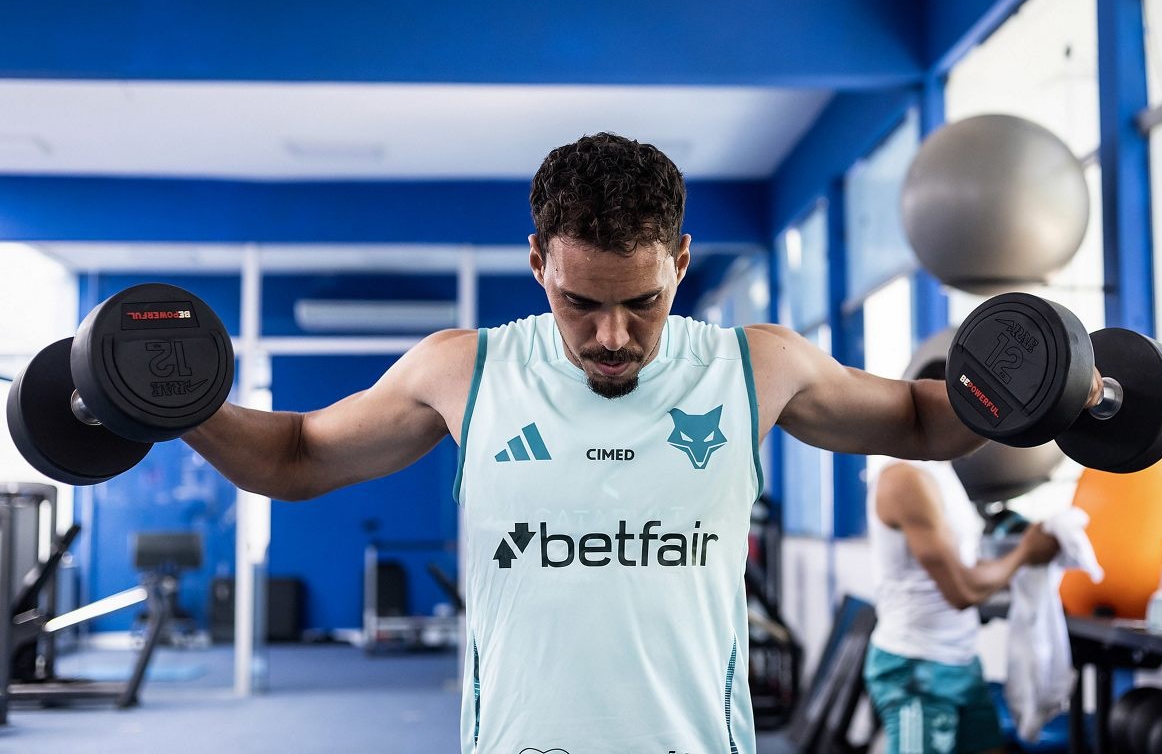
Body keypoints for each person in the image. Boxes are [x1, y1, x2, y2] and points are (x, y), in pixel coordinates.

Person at [182, 132, 1089, 754]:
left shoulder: (757, 366)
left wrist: (1057, 390)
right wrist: (176, 407)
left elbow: (925, 419)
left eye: (643, 301)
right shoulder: (464, 370)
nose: (613, 336)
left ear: (681, 262)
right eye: (580, 302)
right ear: (537, 262)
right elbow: (297, 455)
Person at [864, 395, 1062, 754]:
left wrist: (1028, 561)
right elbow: (961, 592)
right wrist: (1024, 554)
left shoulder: (942, 470)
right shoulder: (905, 478)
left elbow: (967, 567)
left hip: (961, 660)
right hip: (916, 667)